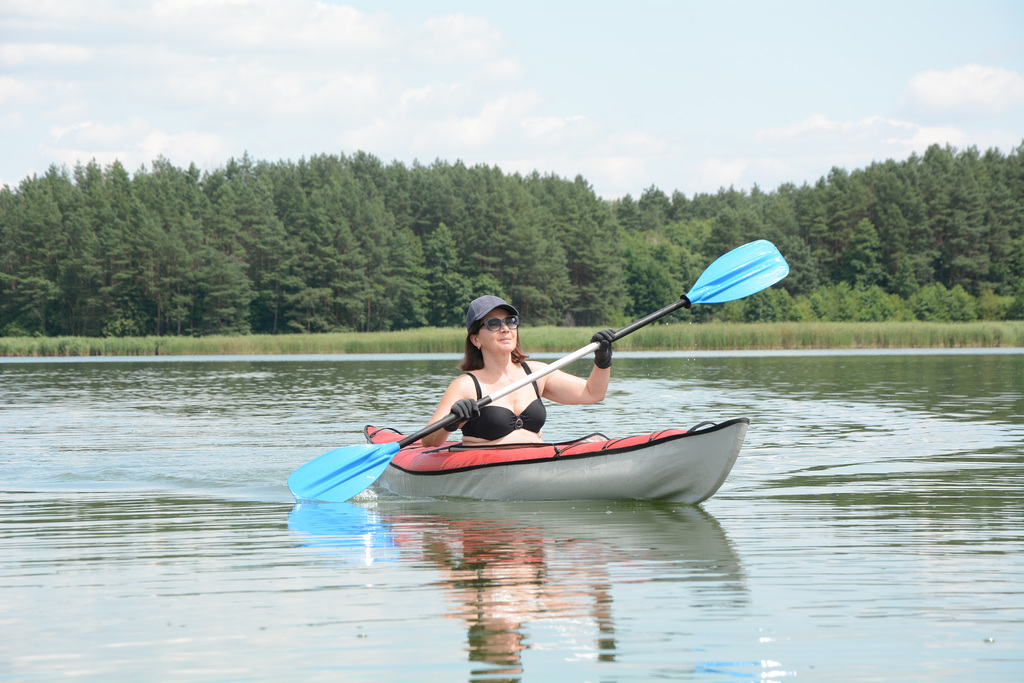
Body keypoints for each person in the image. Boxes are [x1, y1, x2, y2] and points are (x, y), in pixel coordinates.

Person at [420, 295, 615, 448]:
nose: (505, 328)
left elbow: (593, 393)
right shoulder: (466, 385)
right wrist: (452, 422)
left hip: (536, 459)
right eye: (493, 324)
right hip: (486, 470)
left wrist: (602, 360)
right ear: (475, 339)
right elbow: (429, 441)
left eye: (510, 321)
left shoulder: (536, 373)